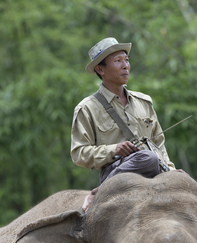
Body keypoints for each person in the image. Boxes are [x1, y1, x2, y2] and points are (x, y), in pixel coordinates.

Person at [71, 37, 176, 211]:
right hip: (117, 171)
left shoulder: (144, 102)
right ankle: (101, 192)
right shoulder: (87, 108)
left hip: (153, 167)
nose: (125, 65)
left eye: (126, 60)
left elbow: (159, 145)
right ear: (100, 69)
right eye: (117, 61)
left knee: (182, 178)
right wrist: (114, 149)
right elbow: (78, 154)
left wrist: (170, 172)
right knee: (148, 158)